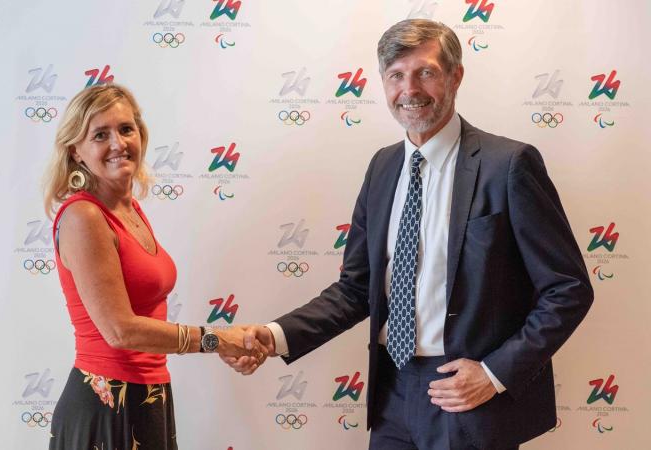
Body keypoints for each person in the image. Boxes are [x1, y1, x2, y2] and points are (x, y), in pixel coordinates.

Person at [223, 19, 593, 450]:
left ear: (455, 76)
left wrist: (494, 375)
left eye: (426, 72)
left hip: (468, 398)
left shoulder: (508, 164)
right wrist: (275, 335)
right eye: (396, 75)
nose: (409, 89)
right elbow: (356, 289)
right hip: (391, 394)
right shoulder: (382, 167)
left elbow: (567, 289)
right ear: (383, 83)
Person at [43, 84, 266, 450]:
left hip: (149, 397)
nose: (118, 143)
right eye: (100, 135)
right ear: (76, 152)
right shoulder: (84, 216)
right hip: (106, 404)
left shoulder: (128, 209)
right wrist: (216, 339)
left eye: (126, 129)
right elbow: (120, 331)